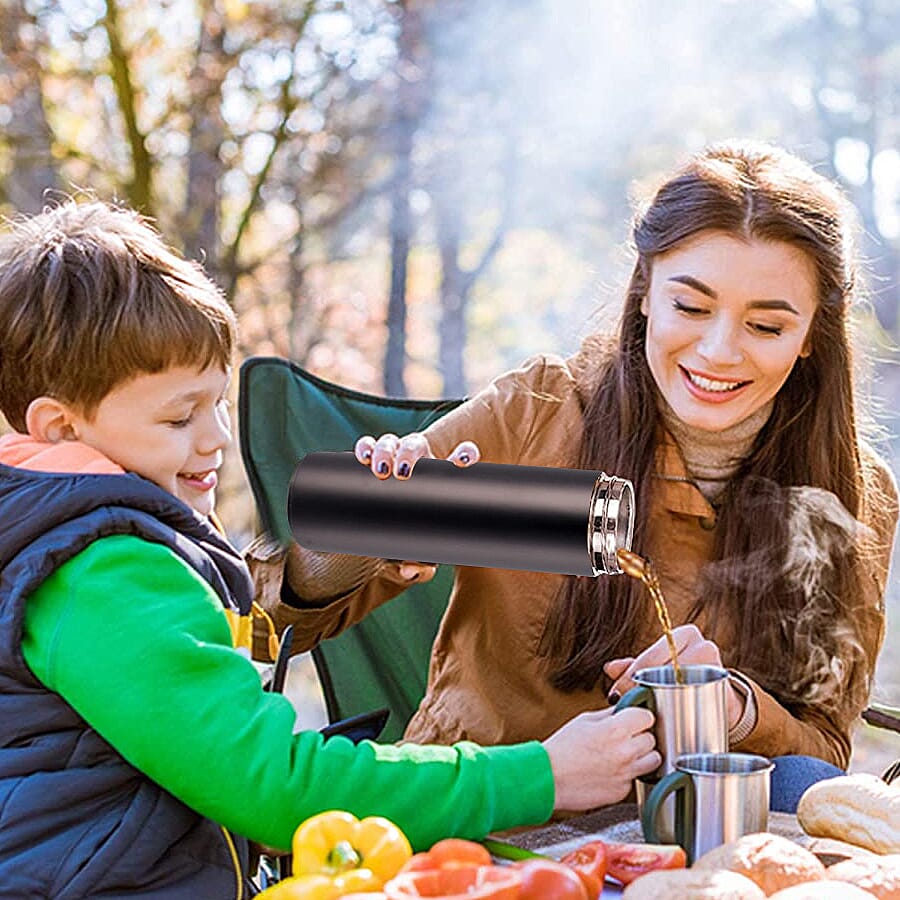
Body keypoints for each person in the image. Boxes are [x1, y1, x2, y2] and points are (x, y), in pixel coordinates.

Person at [0, 201, 660, 899]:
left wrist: (362, 545)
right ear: (59, 425)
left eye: (218, 402)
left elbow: (213, 665)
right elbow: (273, 785)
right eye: (179, 415)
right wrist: (545, 774)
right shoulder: (101, 568)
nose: (216, 437)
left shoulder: (71, 532)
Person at [255, 140, 899, 812]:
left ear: (812, 335)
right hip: (491, 821)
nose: (718, 350)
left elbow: (823, 755)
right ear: (646, 291)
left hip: (693, 839)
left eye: (765, 324)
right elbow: (265, 620)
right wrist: (365, 528)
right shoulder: (534, 415)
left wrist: (734, 708)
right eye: (692, 307)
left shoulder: (854, 495)